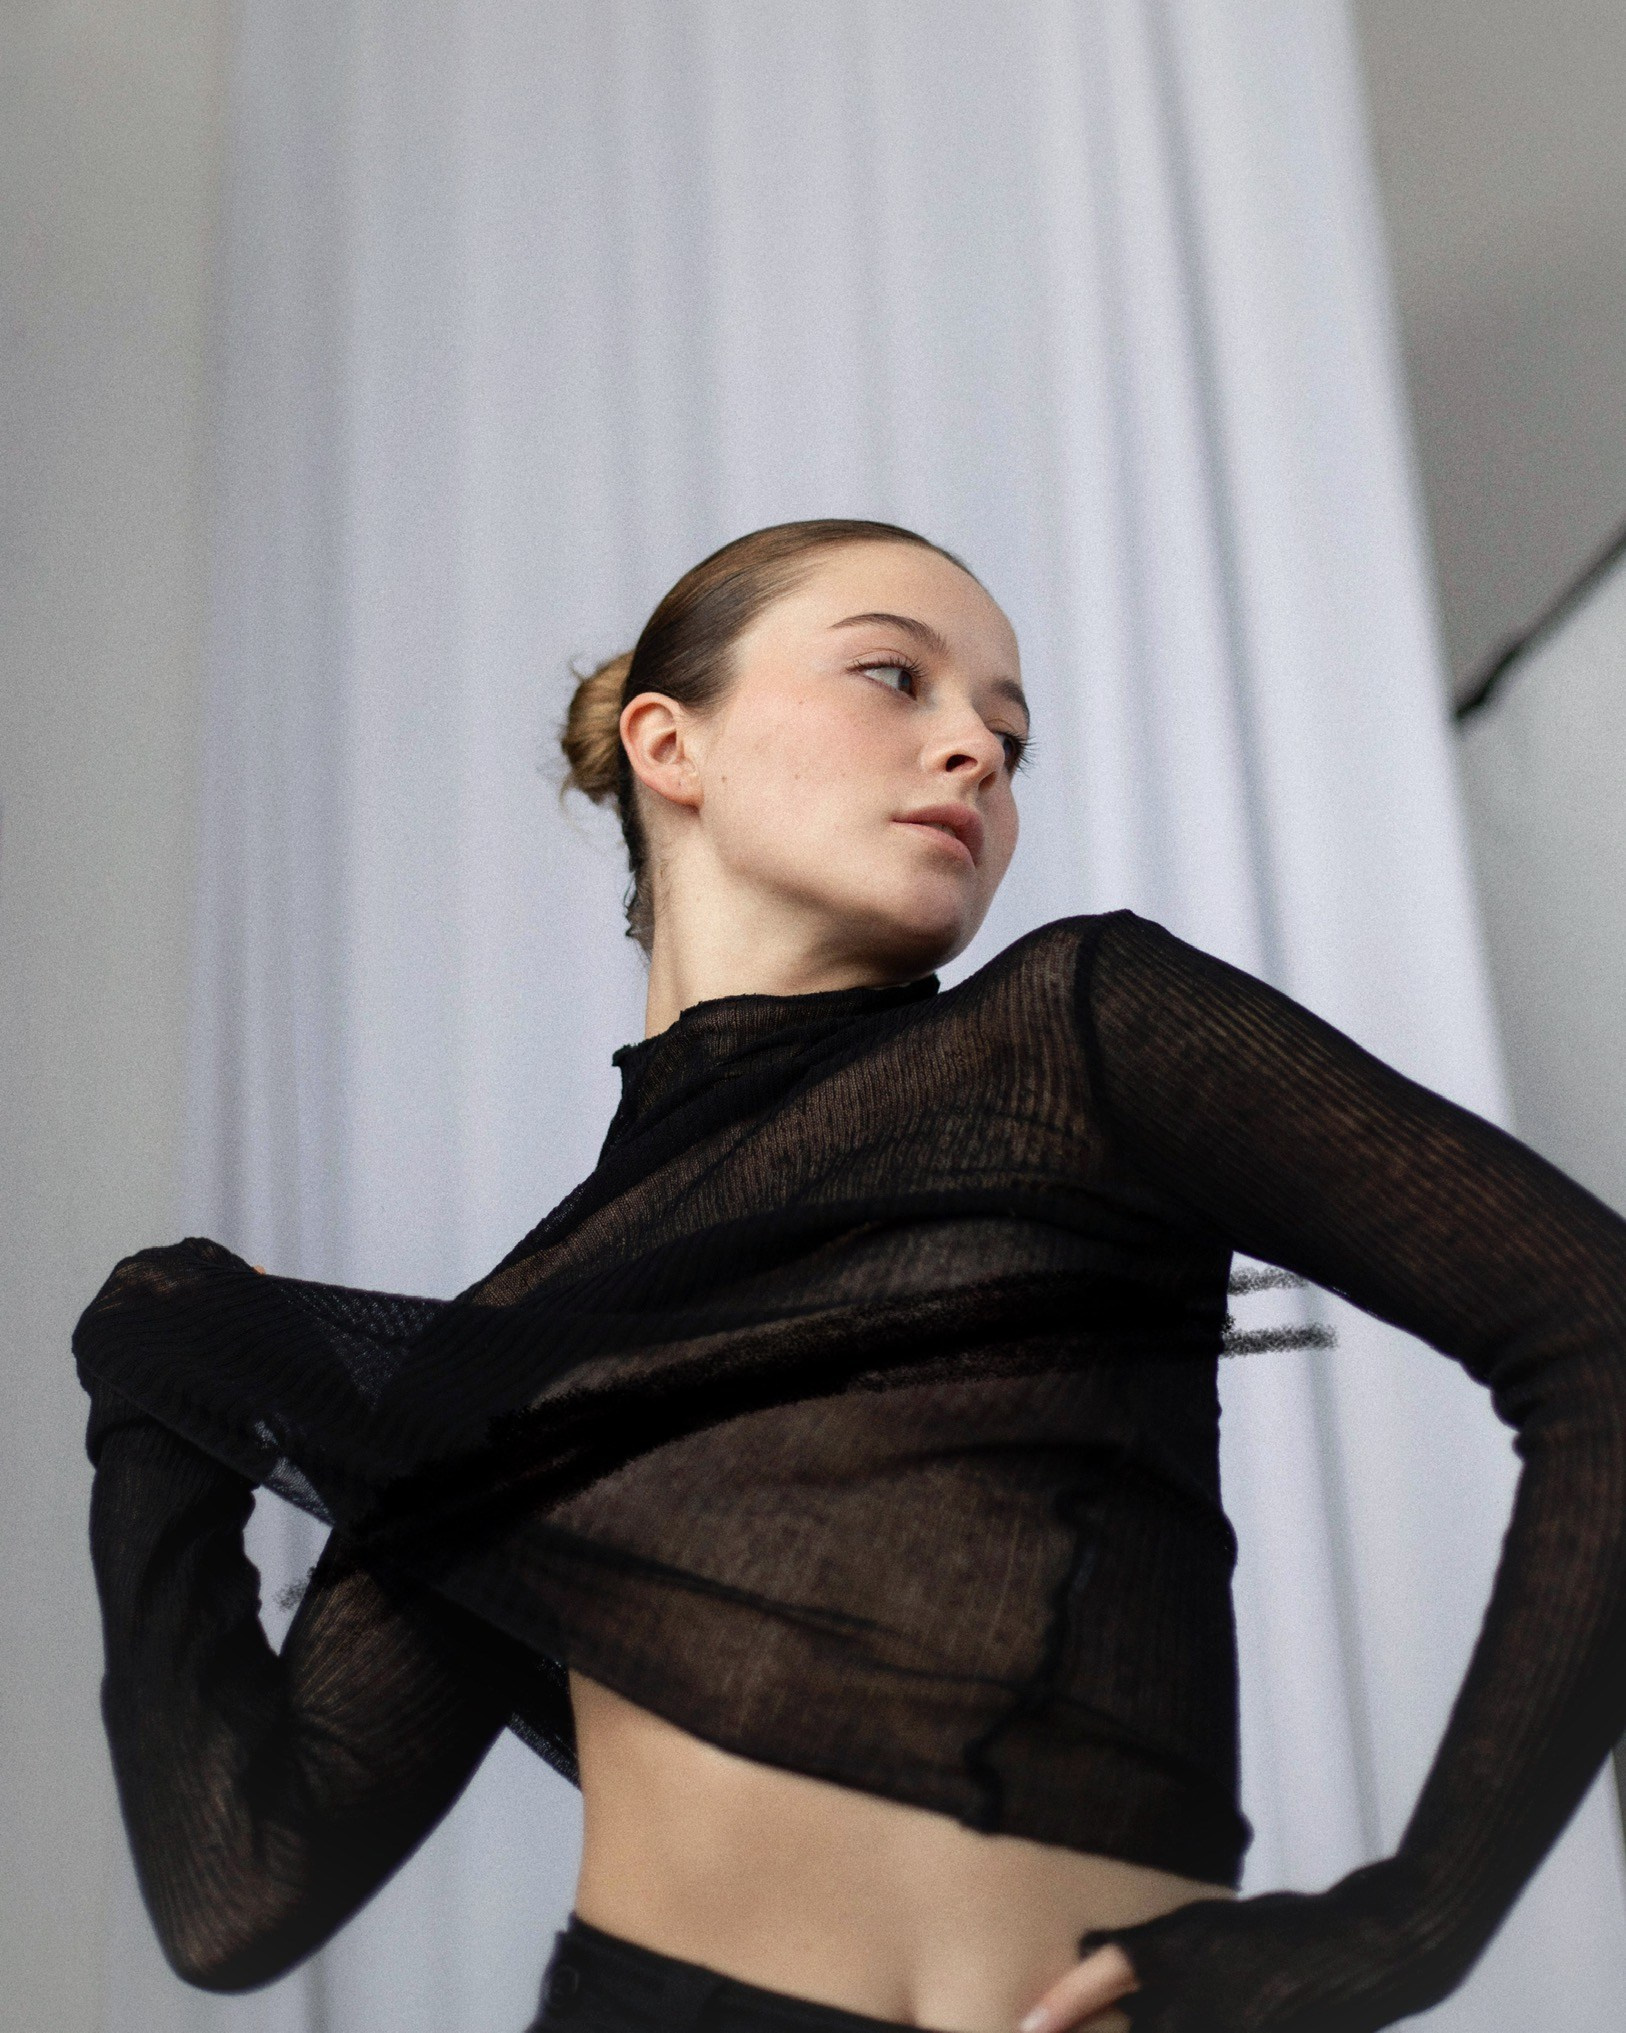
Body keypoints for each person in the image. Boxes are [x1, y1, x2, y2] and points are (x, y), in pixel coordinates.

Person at [75, 519, 1626, 2033]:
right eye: (895, 676)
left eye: (1010, 733)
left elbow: (1598, 1330)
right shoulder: (513, 1350)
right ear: (670, 744)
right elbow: (241, 1889)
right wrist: (155, 1405)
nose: (975, 751)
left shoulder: (1078, 1032)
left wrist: (1407, 1927)